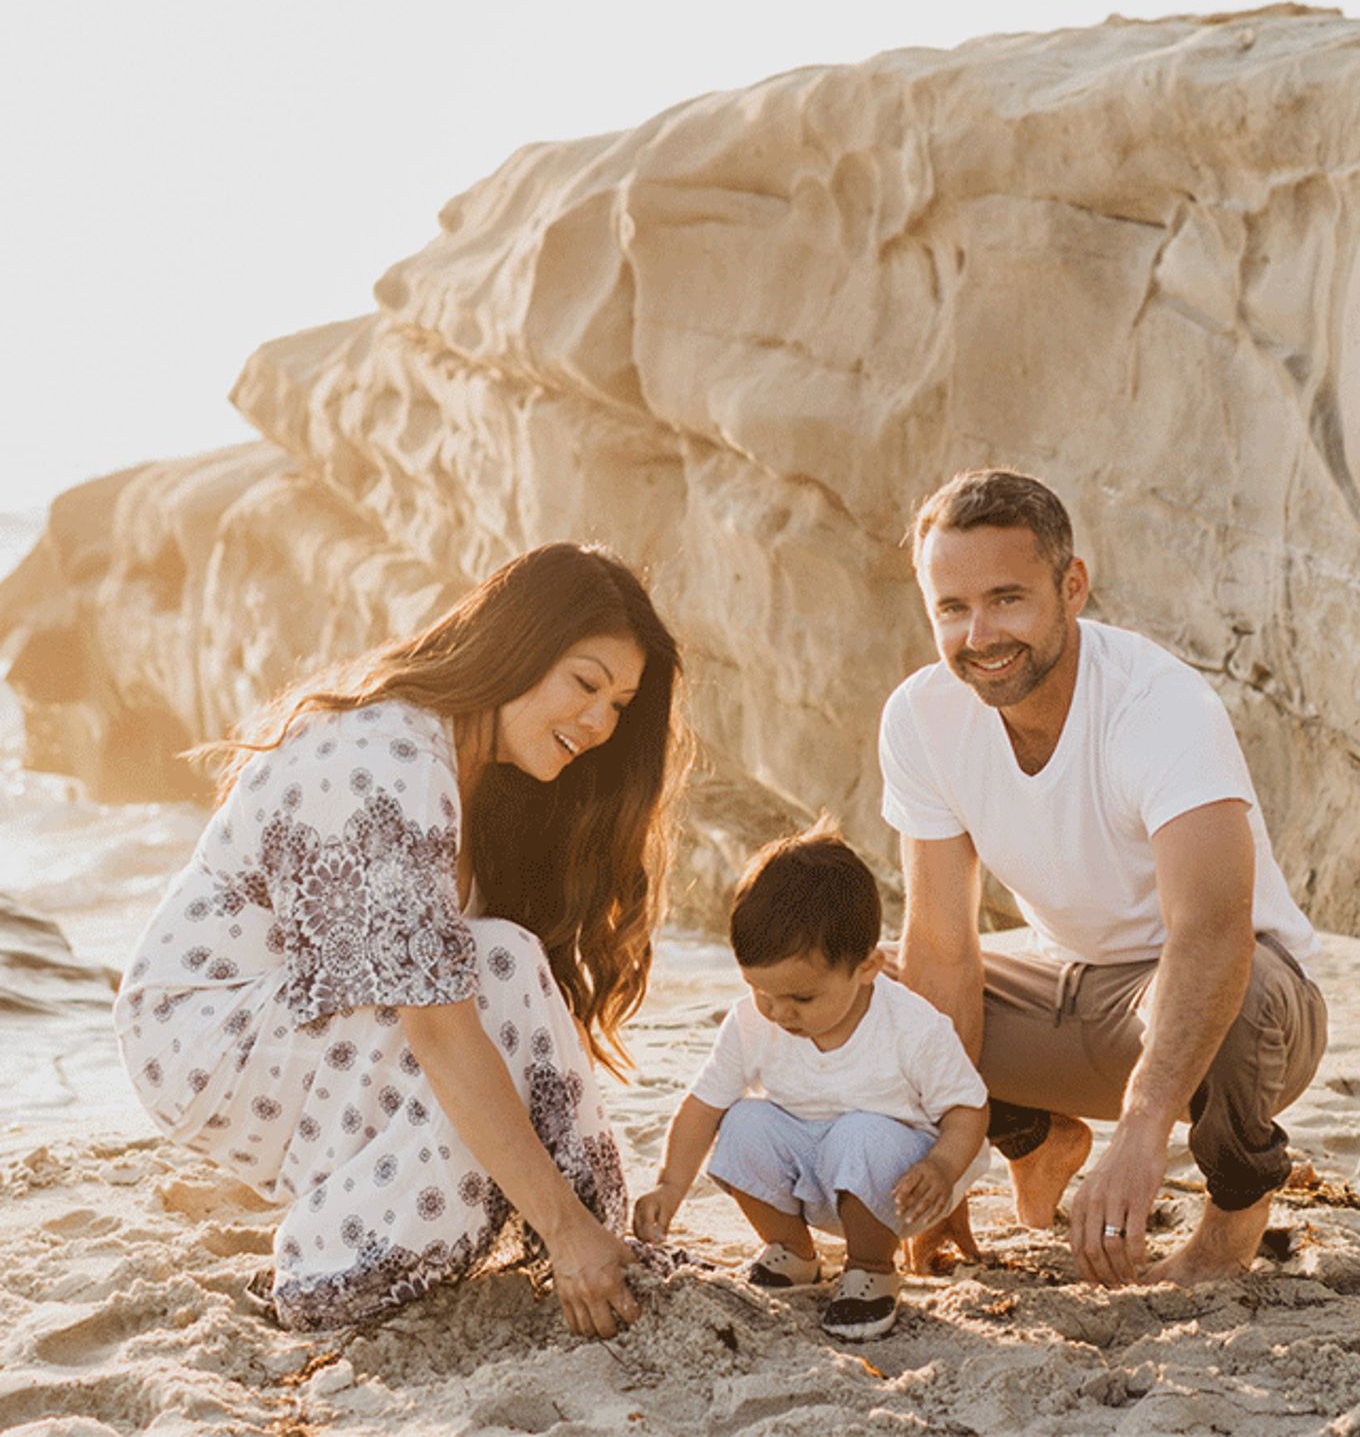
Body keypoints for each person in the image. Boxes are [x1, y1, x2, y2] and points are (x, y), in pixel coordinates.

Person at [115, 542, 686, 1337]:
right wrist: (561, 1226)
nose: (599, 724)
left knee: (500, 971)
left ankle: (591, 1240)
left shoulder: (475, 771)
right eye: (585, 684)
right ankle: (327, 1264)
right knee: (500, 967)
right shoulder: (385, 759)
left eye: (619, 705)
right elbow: (441, 1031)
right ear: (517, 646)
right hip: (203, 1031)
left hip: (303, 1015)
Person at [879, 468, 1328, 1287]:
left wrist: (1144, 1127)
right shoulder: (921, 717)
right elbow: (944, 943)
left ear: (1071, 586)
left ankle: (1227, 1233)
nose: (979, 634)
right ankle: (1037, 1137)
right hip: (1073, 991)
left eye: (1007, 598)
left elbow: (1212, 933)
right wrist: (940, 1172)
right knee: (876, 984)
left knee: (1246, 984)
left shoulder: (1160, 707)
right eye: (952, 608)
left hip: (1242, 1007)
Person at [632, 819, 989, 1340]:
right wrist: (669, 1185)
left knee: (860, 1133)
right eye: (761, 991)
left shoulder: (910, 1026)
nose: (779, 1013)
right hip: (809, 1173)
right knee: (742, 1122)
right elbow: (701, 1107)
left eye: (802, 998)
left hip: (896, 1185)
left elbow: (967, 1109)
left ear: (867, 968)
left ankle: (871, 1269)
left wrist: (941, 1166)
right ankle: (793, 1251)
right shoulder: (753, 1021)